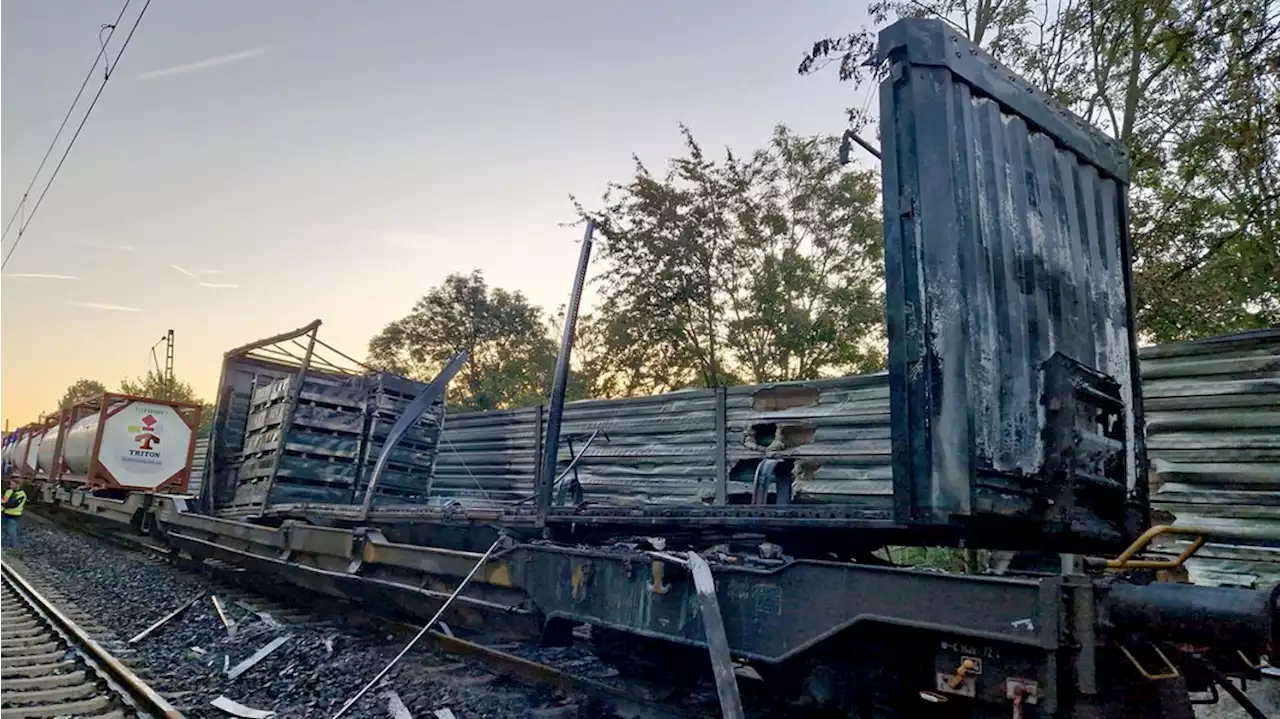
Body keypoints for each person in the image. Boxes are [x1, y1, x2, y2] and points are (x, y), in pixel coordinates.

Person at [0, 478, 27, 551]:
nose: (10, 485)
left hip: (13, 516)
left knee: (12, 530)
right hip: (5, 513)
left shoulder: (22, 495)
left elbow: (13, 505)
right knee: (5, 528)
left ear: (17, 485)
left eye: (12, 484)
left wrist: (3, 503)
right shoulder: (11, 491)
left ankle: (15, 546)